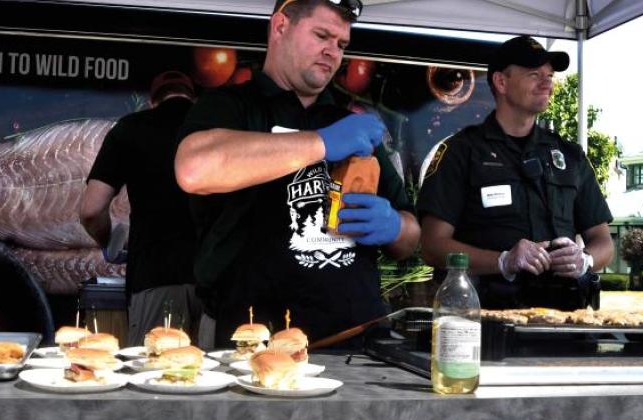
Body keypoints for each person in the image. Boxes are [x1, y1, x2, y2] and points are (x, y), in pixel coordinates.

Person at [175, 0, 420, 345]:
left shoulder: (349, 123)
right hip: (254, 340)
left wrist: (394, 226)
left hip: (357, 338)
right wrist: (319, 143)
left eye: (341, 45)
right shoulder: (230, 106)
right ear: (280, 27)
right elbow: (194, 169)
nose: (332, 52)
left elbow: (410, 236)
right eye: (322, 35)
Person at [417, 36, 614, 310]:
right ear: (501, 82)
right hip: (487, 322)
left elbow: (603, 241)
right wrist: (503, 260)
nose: (547, 82)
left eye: (549, 75)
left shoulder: (569, 156)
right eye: (535, 74)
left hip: (564, 320)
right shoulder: (461, 152)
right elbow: (432, 246)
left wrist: (586, 259)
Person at [80, 71, 212, 348]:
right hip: (216, 283)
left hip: (156, 275)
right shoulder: (216, 128)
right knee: (212, 378)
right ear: (194, 98)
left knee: (154, 374)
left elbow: (91, 209)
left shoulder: (131, 128)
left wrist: (109, 243)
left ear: (152, 101)